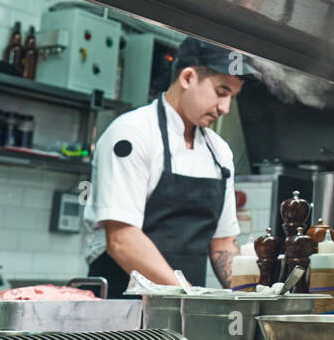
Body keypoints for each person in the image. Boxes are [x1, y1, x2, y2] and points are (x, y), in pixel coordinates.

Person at [83, 37, 246, 297]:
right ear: (188, 78)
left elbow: (223, 243)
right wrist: (189, 298)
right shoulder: (132, 133)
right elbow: (122, 239)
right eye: (221, 92)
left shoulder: (220, 152)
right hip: (120, 308)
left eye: (232, 97)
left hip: (180, 311)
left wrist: (251, 298)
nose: (225, 108)